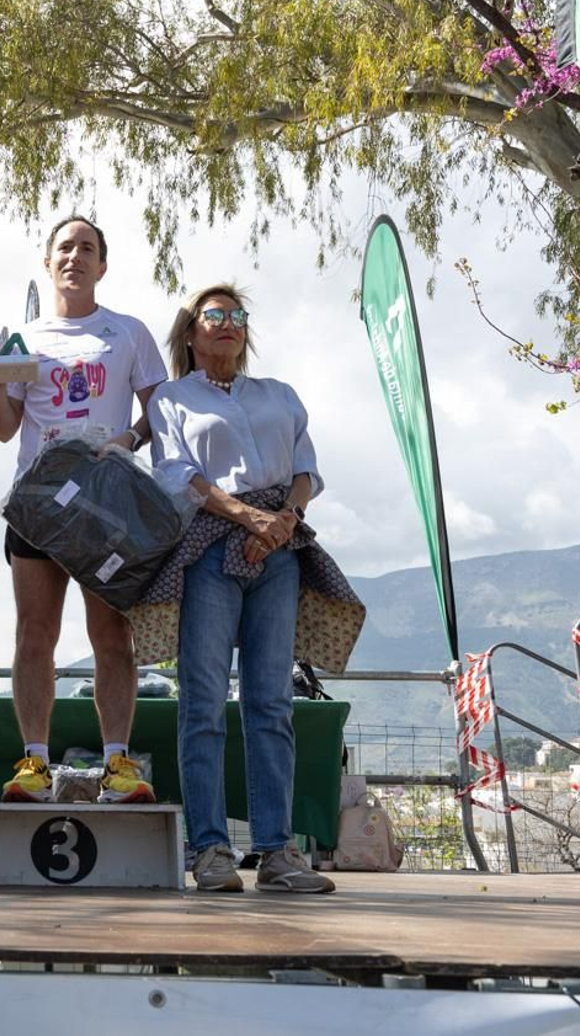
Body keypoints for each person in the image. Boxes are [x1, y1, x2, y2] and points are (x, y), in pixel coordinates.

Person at [146, 283, 338, 893]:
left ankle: (278, 852)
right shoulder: (173, 399)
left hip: (281, 545)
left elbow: (306, 469)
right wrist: (245, 518)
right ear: (192, 331)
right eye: (214, 316)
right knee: (202, 700)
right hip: (207, 545)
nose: (227, 325)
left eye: (236, 316)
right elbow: (180, 474)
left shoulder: (279, 395)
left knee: (272, 701)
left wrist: (281, 520)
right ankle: (210, 850)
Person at [0, 215, 167, 805]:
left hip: (108, 506)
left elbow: (162, 410)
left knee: (111, 636)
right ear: (47, 261)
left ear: (102, 266)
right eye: (65, 247)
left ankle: (118, 765)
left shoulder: (128, 332)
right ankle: (33, 762)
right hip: (37, 504)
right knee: (35, 634)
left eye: (87, 248)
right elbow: (4, 430)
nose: (75, 257)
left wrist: (128, 442)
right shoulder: (22, 341)